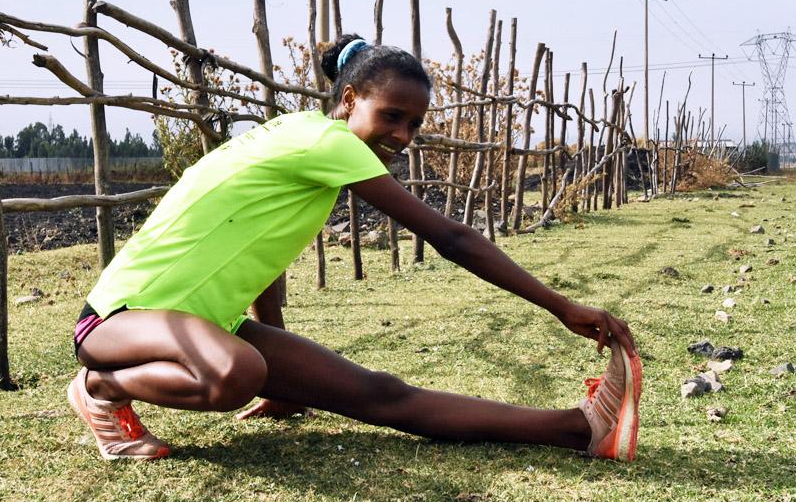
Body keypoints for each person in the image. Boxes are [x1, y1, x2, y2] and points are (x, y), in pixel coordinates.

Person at [68, 34, 641, 462]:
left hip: (197, 324)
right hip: (118, 322)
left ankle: (577, 430)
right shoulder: (330, 145)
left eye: (414, 124)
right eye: (391, 116)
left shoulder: (300, 139)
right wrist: (561, 307)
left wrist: (283, 378)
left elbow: (257, 249)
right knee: (237, 371)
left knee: (381, 394)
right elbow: (451, 237)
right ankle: (100, 388)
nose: (403, 135)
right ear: (349, 98)